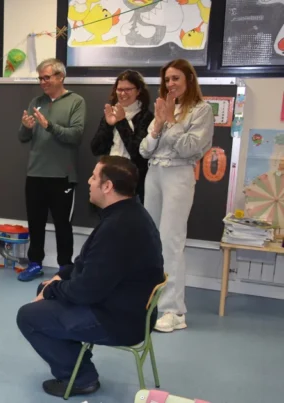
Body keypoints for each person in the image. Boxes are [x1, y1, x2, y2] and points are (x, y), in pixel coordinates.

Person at [16, 156, 164, 398]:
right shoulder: (127, 214)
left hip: (119, 320)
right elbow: (86, 263)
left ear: (107, 187)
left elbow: (86, 291)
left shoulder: (118, 228)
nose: (89, 181)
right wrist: (59, 278)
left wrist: (53, 289)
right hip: (128, 309)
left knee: (28, 316)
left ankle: (82, 379)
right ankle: (77, 363)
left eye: (94, 177)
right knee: (45, 290)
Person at [139, 59, 214, 333]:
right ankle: (154, 302)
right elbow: (145, 150)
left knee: (171, 241)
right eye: (167, 79)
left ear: (189, 80)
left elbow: (189, 149)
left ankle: (174, 311)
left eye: (176, 79)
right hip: (154, 174)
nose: (170, 84)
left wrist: (171, 122)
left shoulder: (201, 110)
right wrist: (158, 124)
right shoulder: (164, 106)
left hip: (179, 175)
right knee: (152, 241)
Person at [18, 58, 87, 282]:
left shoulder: (76, 101)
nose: (43, 82)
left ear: (60, 77)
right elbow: (23, 138)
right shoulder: (36, 101)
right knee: (35, 223)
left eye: (47, 77)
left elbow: (75, 135)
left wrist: (49, 126)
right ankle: (35, 263)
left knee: (62, 225)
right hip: (35, 174)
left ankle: (65, 267)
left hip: (62, 177)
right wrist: (26, 128)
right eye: (40, 78)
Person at [91, 70, 153, 202]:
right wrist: (108, 125)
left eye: (128, 89)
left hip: (132, 180)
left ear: (138, 91)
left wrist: (121, 122)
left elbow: (138, 153)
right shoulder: (110, 113)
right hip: (108, 175)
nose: (123, 94)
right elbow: (96, 148)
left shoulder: (146, 117)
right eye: (119, 89)